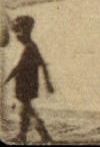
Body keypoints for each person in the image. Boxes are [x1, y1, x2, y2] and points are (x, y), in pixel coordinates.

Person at [3, 15, 53, 144]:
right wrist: (47, 82)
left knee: (28, 112)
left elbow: (17, 68)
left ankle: (44, 136)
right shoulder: (32, 46)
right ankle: (23, 135)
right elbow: (42, 64)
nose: (16, 36)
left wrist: (4, 82)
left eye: (17, 32)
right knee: (25, 111)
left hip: (25, 85)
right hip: (28, 84)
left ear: (24, 32)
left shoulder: (28, 48)